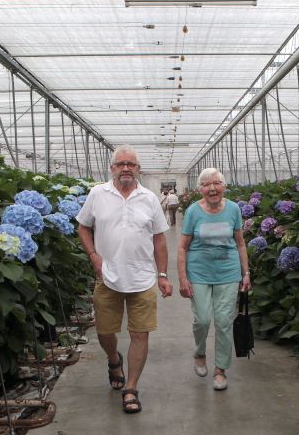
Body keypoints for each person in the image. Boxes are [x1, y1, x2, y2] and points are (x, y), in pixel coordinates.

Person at [76, 146, 173, 413]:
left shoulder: (149, 198)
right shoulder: (98, 194)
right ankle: (113, 359)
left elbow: (159, 238)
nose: (126, 168)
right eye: (121, 164)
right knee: (105, 331)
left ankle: (131, 388)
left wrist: (162, 275)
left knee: (140, 333)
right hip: (107, 276)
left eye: (131, 164)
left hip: (143, 277)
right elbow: (83, 226)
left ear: (138, 169)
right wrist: (94, 256)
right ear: (112, 168)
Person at [177, 168, 251, 391]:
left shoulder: (233, 209)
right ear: (200, 189)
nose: (212, 189)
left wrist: (246, 273)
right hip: (199, 272)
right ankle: (200, 353)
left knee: (223, 322)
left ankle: (220, 369)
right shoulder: (193, 211)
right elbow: (182, 247)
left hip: (228, 272)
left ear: (224, 186)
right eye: (206, 184)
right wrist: (182, 278)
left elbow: (240, 243)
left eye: (217, 183)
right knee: (202, 319)